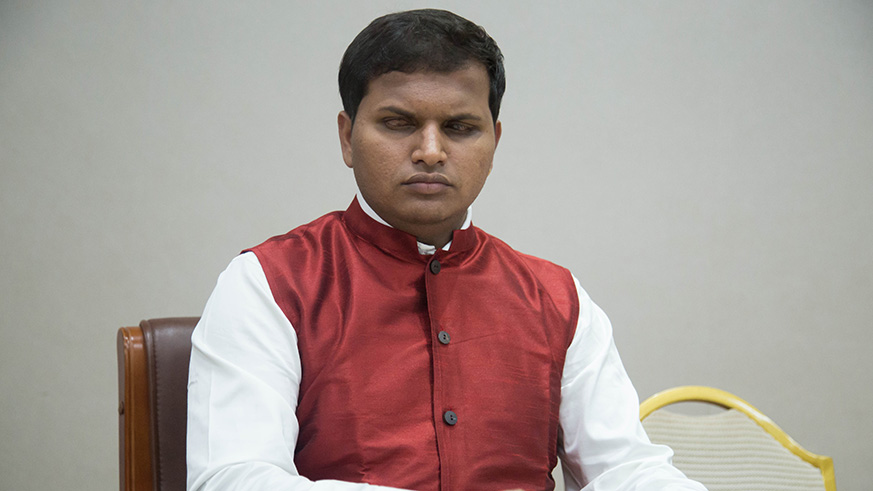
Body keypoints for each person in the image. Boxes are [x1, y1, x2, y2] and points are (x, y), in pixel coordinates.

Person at [186, 9, 707, 491]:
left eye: (460, 128)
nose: (430, 151)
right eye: (399, 123)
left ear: (494, 143)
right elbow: (235, 477)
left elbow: (627, 468)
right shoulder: (270, 283)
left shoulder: (556, 298)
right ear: (347, 138)